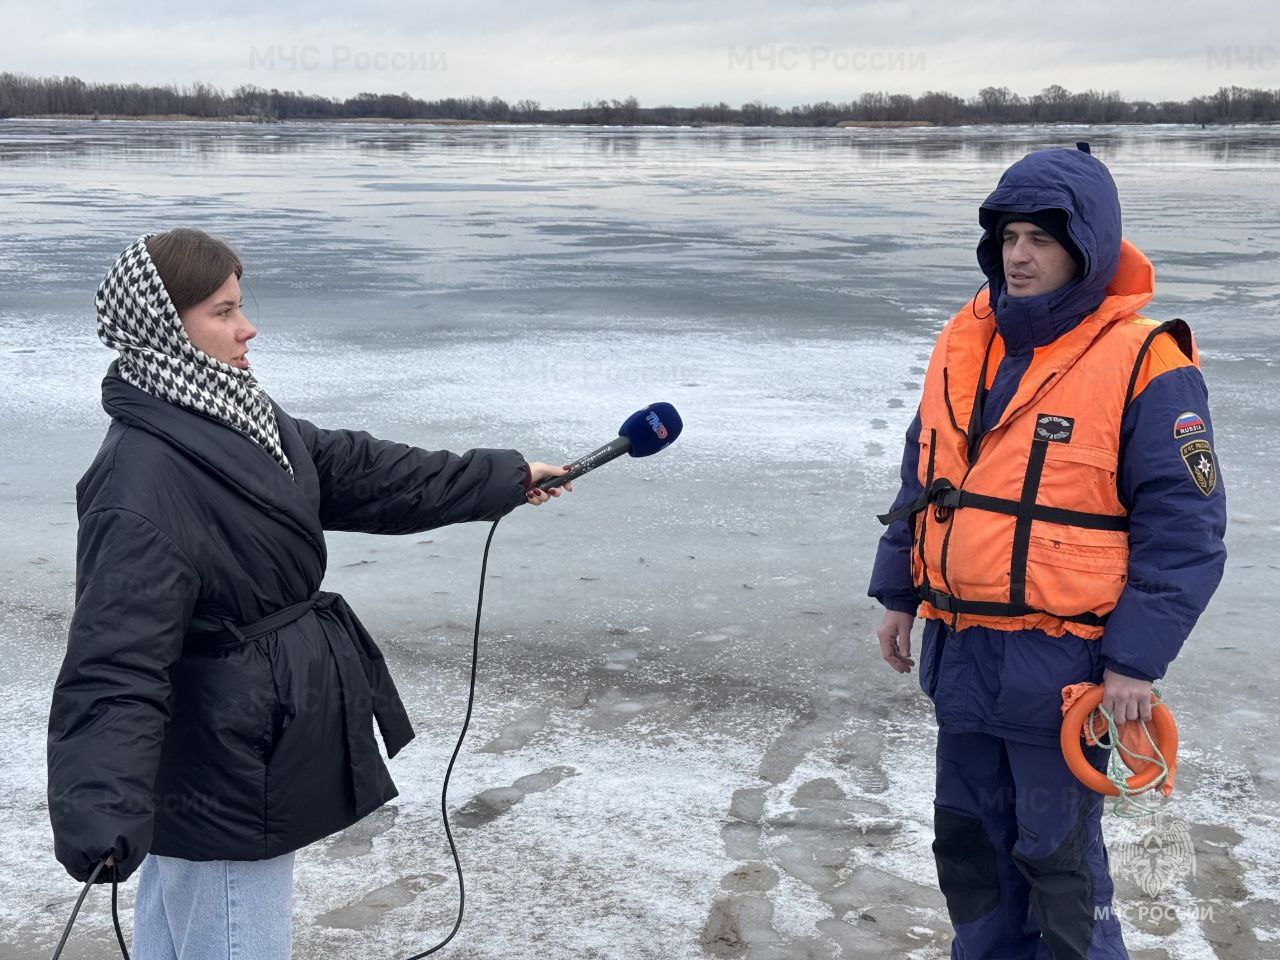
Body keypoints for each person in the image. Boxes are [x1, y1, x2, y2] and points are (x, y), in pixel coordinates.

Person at [46, 228, 572, 959]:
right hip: (220, 760)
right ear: (166, 326)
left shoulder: (230, 415)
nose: (246, 325)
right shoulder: (142, 481)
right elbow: (115, 662)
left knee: (187, 919)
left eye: (240, 306)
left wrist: (502, 479)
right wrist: (101, 811)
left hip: (239, 742)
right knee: (231, 930)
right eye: (223, 312)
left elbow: (365, 471)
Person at [868, 144, 1226, 959]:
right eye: (1008, 237)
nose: (1018, 256)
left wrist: (1134, 662)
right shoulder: (965, 341)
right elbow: (923, 473)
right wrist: (897, 591)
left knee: (1058, 864)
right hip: (960, 649)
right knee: (969, 851)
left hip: (1063, 669)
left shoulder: (1145, 360)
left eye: (1041, 238)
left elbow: (1187, 528)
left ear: (1087, 247)